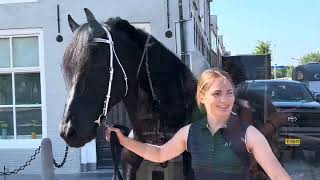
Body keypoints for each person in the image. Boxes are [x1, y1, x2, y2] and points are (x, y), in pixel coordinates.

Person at [106, 68, 291, 180]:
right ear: (202, 97)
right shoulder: (190, 133)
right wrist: (123, 140)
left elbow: (278, 175)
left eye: (229, 92)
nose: (225, 100)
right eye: (217, 93)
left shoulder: (249, 134)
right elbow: (159, 153)